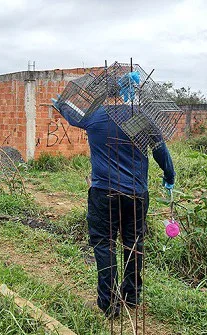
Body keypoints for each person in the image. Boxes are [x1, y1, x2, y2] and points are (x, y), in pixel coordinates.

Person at [51, 97, 175, 318]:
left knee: (104, 244)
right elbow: (160, 151)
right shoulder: (142, 119)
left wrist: (59, 104)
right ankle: (132, 296)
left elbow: (70, 114)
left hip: (103, 193)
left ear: (107, 91)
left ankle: (109, 303)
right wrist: (169, 175)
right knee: (133, 243)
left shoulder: (94, 115)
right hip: (136, 194)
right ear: (133, 93)